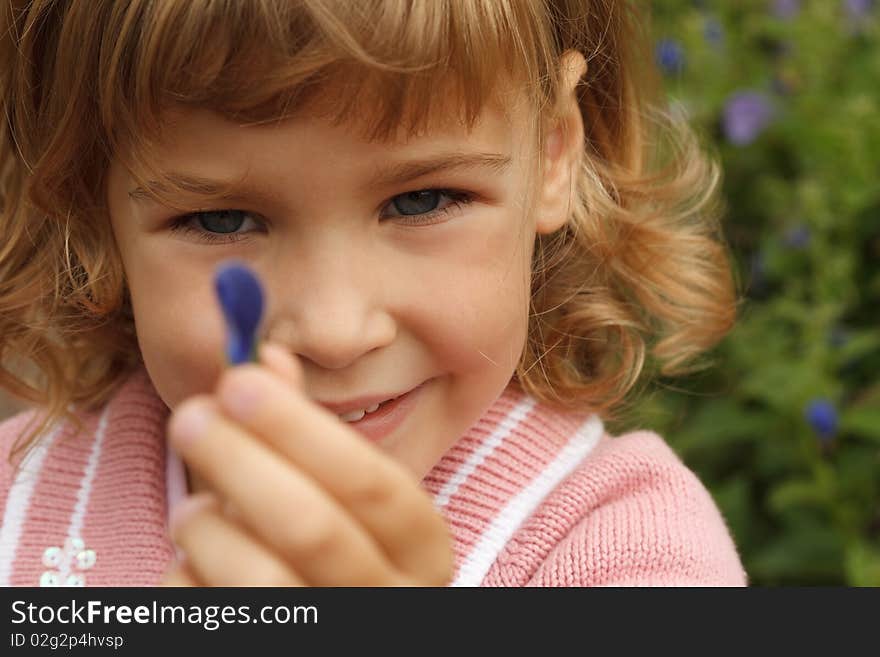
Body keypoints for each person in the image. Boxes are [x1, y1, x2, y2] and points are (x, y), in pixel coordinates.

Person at [0, 0, 747, 587]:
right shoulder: (17, 499)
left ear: (553, 148)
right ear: (90, 200)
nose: (333, 328)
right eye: (222, 218)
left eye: (422, 201)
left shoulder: (627, 548)